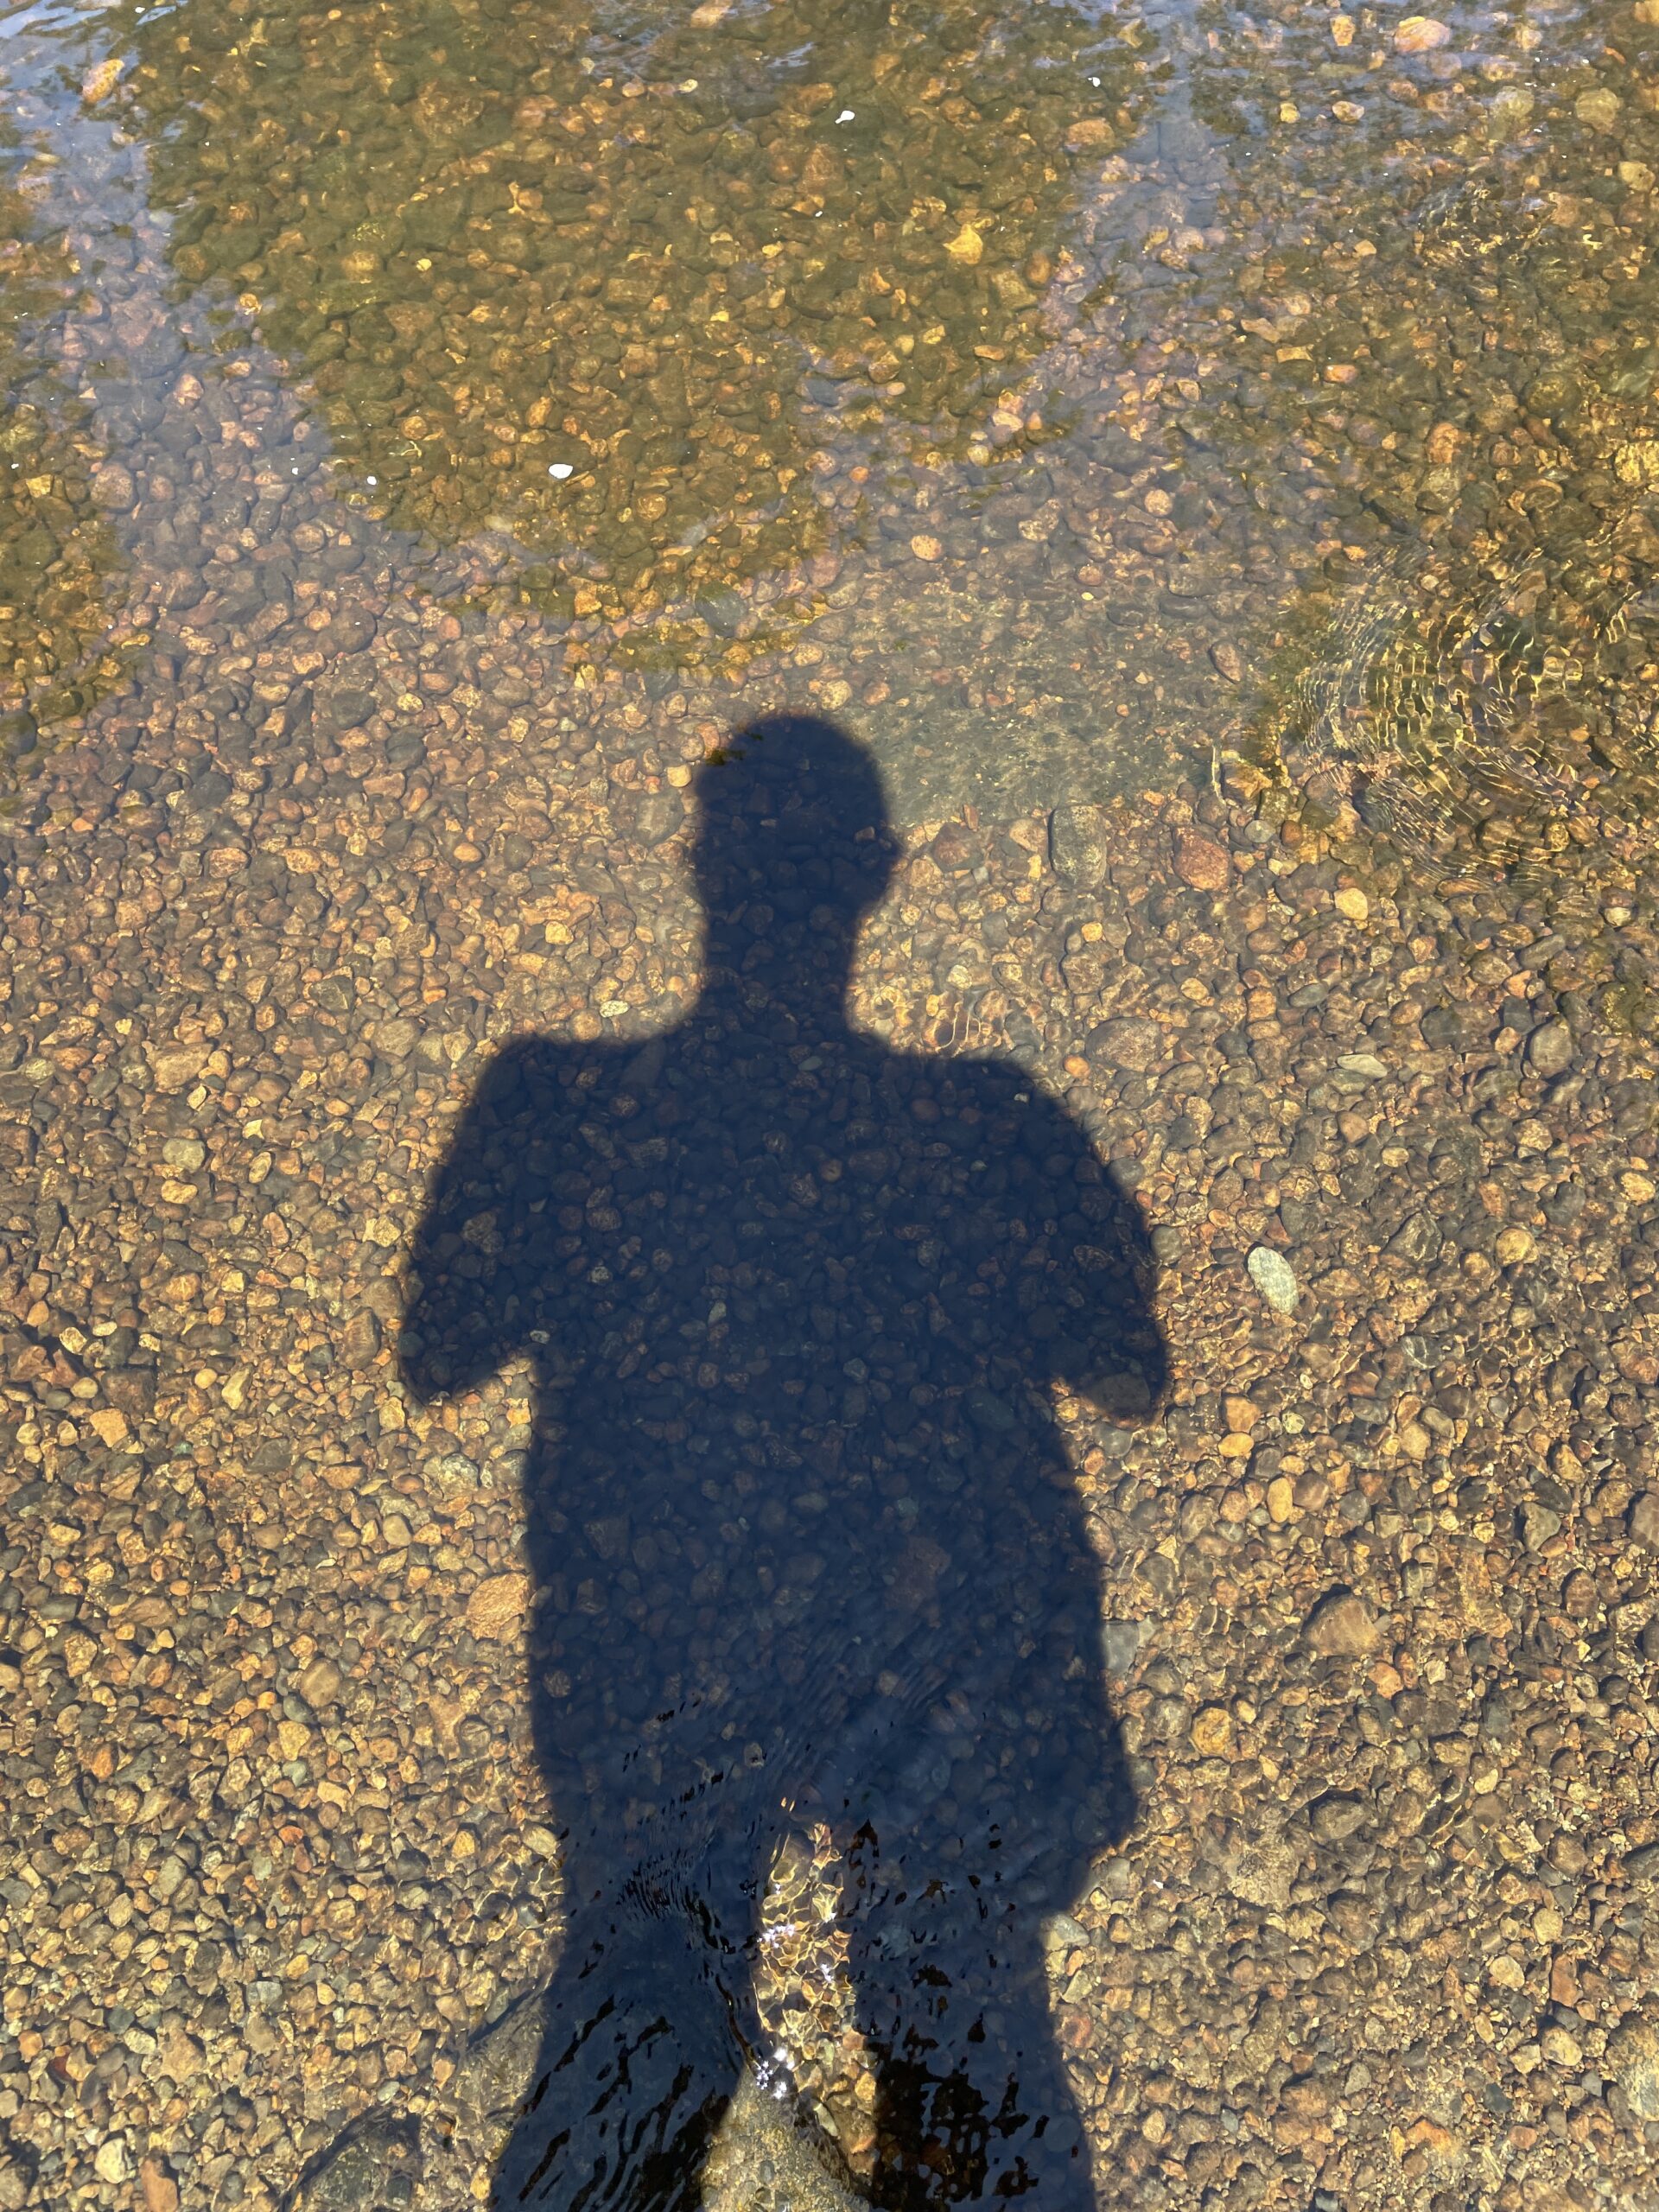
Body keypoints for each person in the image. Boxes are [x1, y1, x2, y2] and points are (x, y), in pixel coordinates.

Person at [401, 716, 1166, 2212]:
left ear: (694, 868)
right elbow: (1130, 1373)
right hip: (923, 1644)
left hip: (655, 1639)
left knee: (644, 1973)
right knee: (951, 1998)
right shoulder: (982, 1115)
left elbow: (440, 1353)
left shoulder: (552, 1096)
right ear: (879, 877)